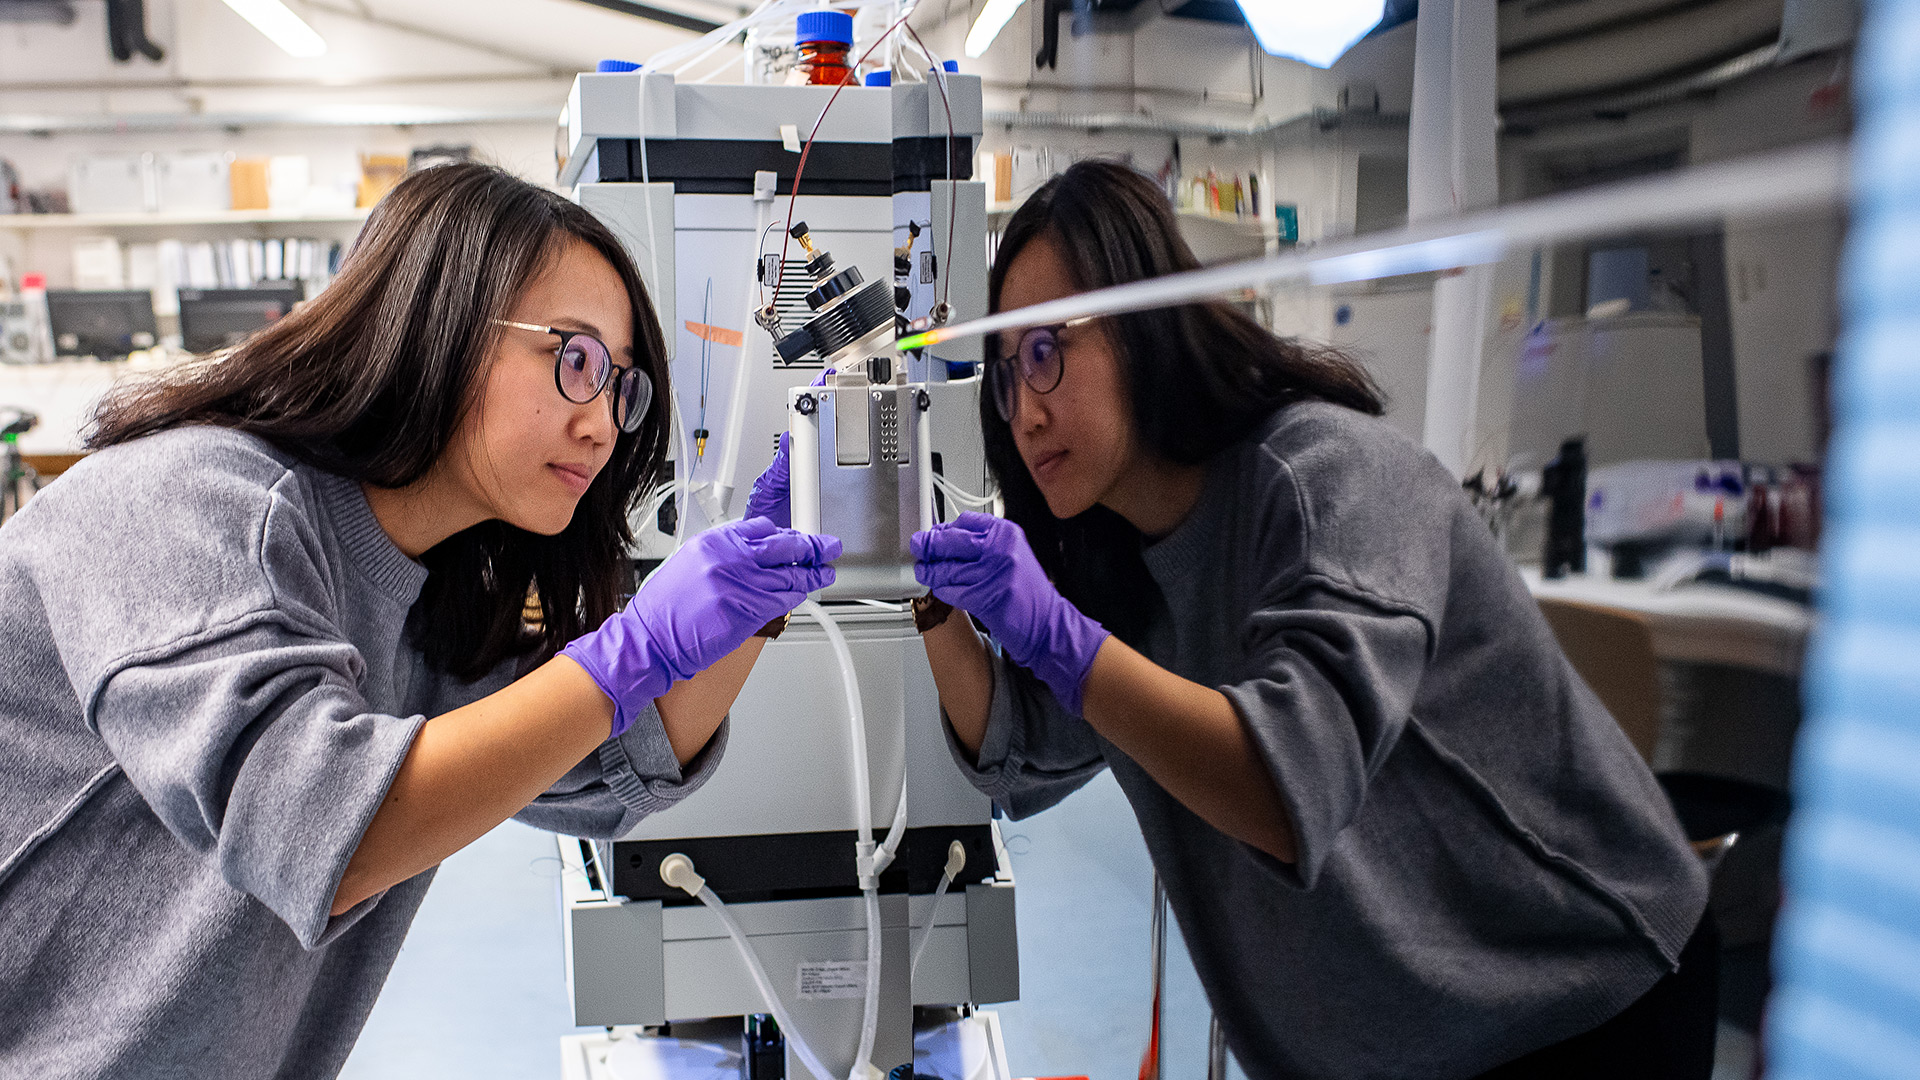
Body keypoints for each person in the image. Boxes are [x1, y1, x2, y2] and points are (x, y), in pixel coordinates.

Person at [0, 162, 837, 1079]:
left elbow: (601, 766)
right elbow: (323, 826)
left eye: (621, 388)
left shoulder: (429, 594)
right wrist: (630, 653)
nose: (605, 425)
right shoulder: (185, 500)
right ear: (441, 325)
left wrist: (756, 609)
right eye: (577, 361)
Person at [908, 160, 1717, 1080]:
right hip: (1401, 1044)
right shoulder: (1116, 554)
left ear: (1145, 328)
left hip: (1573, 1011)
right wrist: (924, 590)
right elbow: (1019, 746)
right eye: (1006, 379)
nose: (1025, 412)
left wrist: (1066, 644)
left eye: (1047, 353)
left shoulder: (1334, 478)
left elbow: (1288, 786)